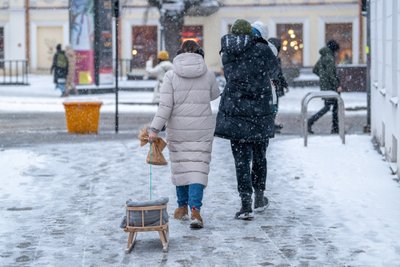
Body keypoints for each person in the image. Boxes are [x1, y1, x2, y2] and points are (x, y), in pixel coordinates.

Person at [148, 40, 220, 229]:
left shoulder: (171, 76)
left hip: (178, 129)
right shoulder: (208, 73)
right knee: (198, 167)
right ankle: (196, 209)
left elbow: (165, 107)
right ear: (199, 53)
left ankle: (182, 207)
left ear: (179, 53)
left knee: (181, 167)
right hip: (202, 128)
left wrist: (154, 129)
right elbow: (214, 95)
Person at [214, 19, 280, 220]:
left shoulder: (227, 51)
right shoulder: (262, 50)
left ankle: (245, 204)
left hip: (236, 112)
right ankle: (259, 196)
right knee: (260, 156)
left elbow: (233, 75)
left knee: (241, 161)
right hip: (259, 111)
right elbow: (275, 71)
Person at [308, 40, 343, 134]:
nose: (336, 53)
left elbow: (315, 70)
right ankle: (310, 122)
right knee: (330, 107)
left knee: (332, 106)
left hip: (326, 86)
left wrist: (323, 78)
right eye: (336, 51)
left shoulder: (323, 56)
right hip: (331, 87)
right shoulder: (330, 58)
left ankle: (335, 128)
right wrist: (337, 85)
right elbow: (331, 74)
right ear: (334, 49)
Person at [268, 37, 289, 133]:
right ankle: (270, 124)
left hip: (276, 86)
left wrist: (284, 84)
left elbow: (279, 73)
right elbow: (275, 73)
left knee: (275, 106)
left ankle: (271, 123)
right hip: (272, 86)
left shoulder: (275, 58)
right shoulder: (270, 58)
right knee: (272, 106)